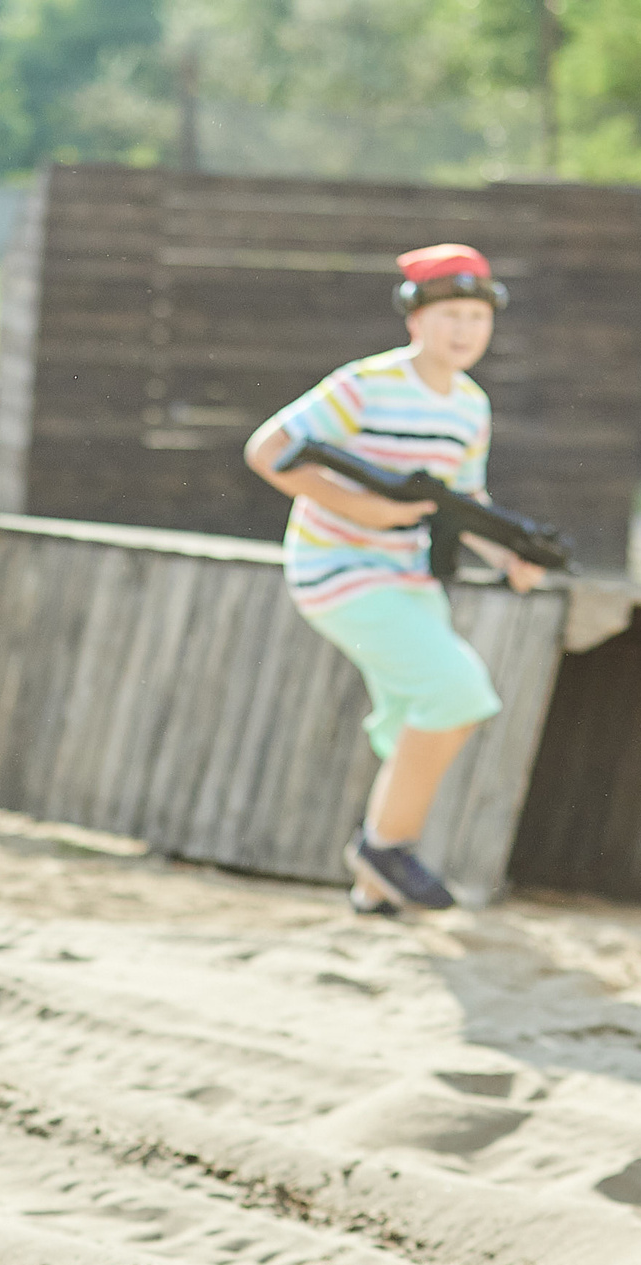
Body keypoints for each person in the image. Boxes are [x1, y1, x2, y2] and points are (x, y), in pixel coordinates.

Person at [241, 243, 548, 915]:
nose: (464, 330)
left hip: (409, 577)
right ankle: (386, 849)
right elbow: (266, 449)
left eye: (477, 317)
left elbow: (463, 502)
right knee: (457, 691)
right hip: (337, 569)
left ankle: (373, 888)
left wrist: (509, 555)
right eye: (450, 315)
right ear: (415, 320)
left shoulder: (470, 406)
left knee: (417, 717)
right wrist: (363, 508)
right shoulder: (365, 384)